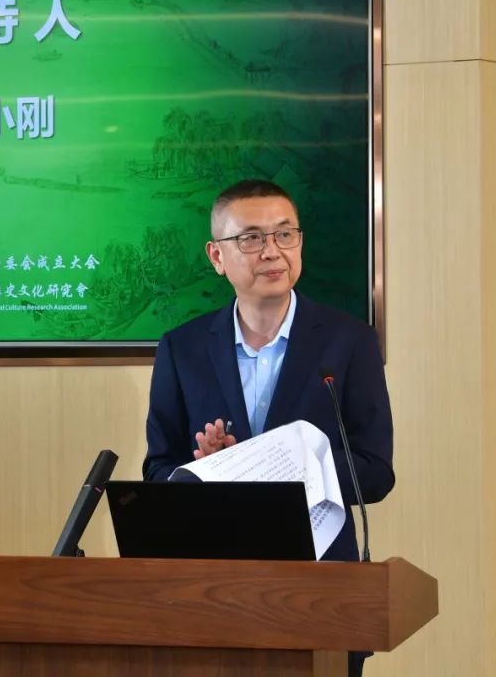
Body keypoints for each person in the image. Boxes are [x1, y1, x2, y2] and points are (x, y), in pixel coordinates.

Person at [142, 179, 394, 677]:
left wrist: (293, 468)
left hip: (320, 592)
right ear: (217, 256)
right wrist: (205, 470)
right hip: (212, 592)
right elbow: (158, 471)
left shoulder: (350, 342)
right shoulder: (182, 348)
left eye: (285, 234)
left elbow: (376, 473)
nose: (272, 251)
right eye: (251, 238)